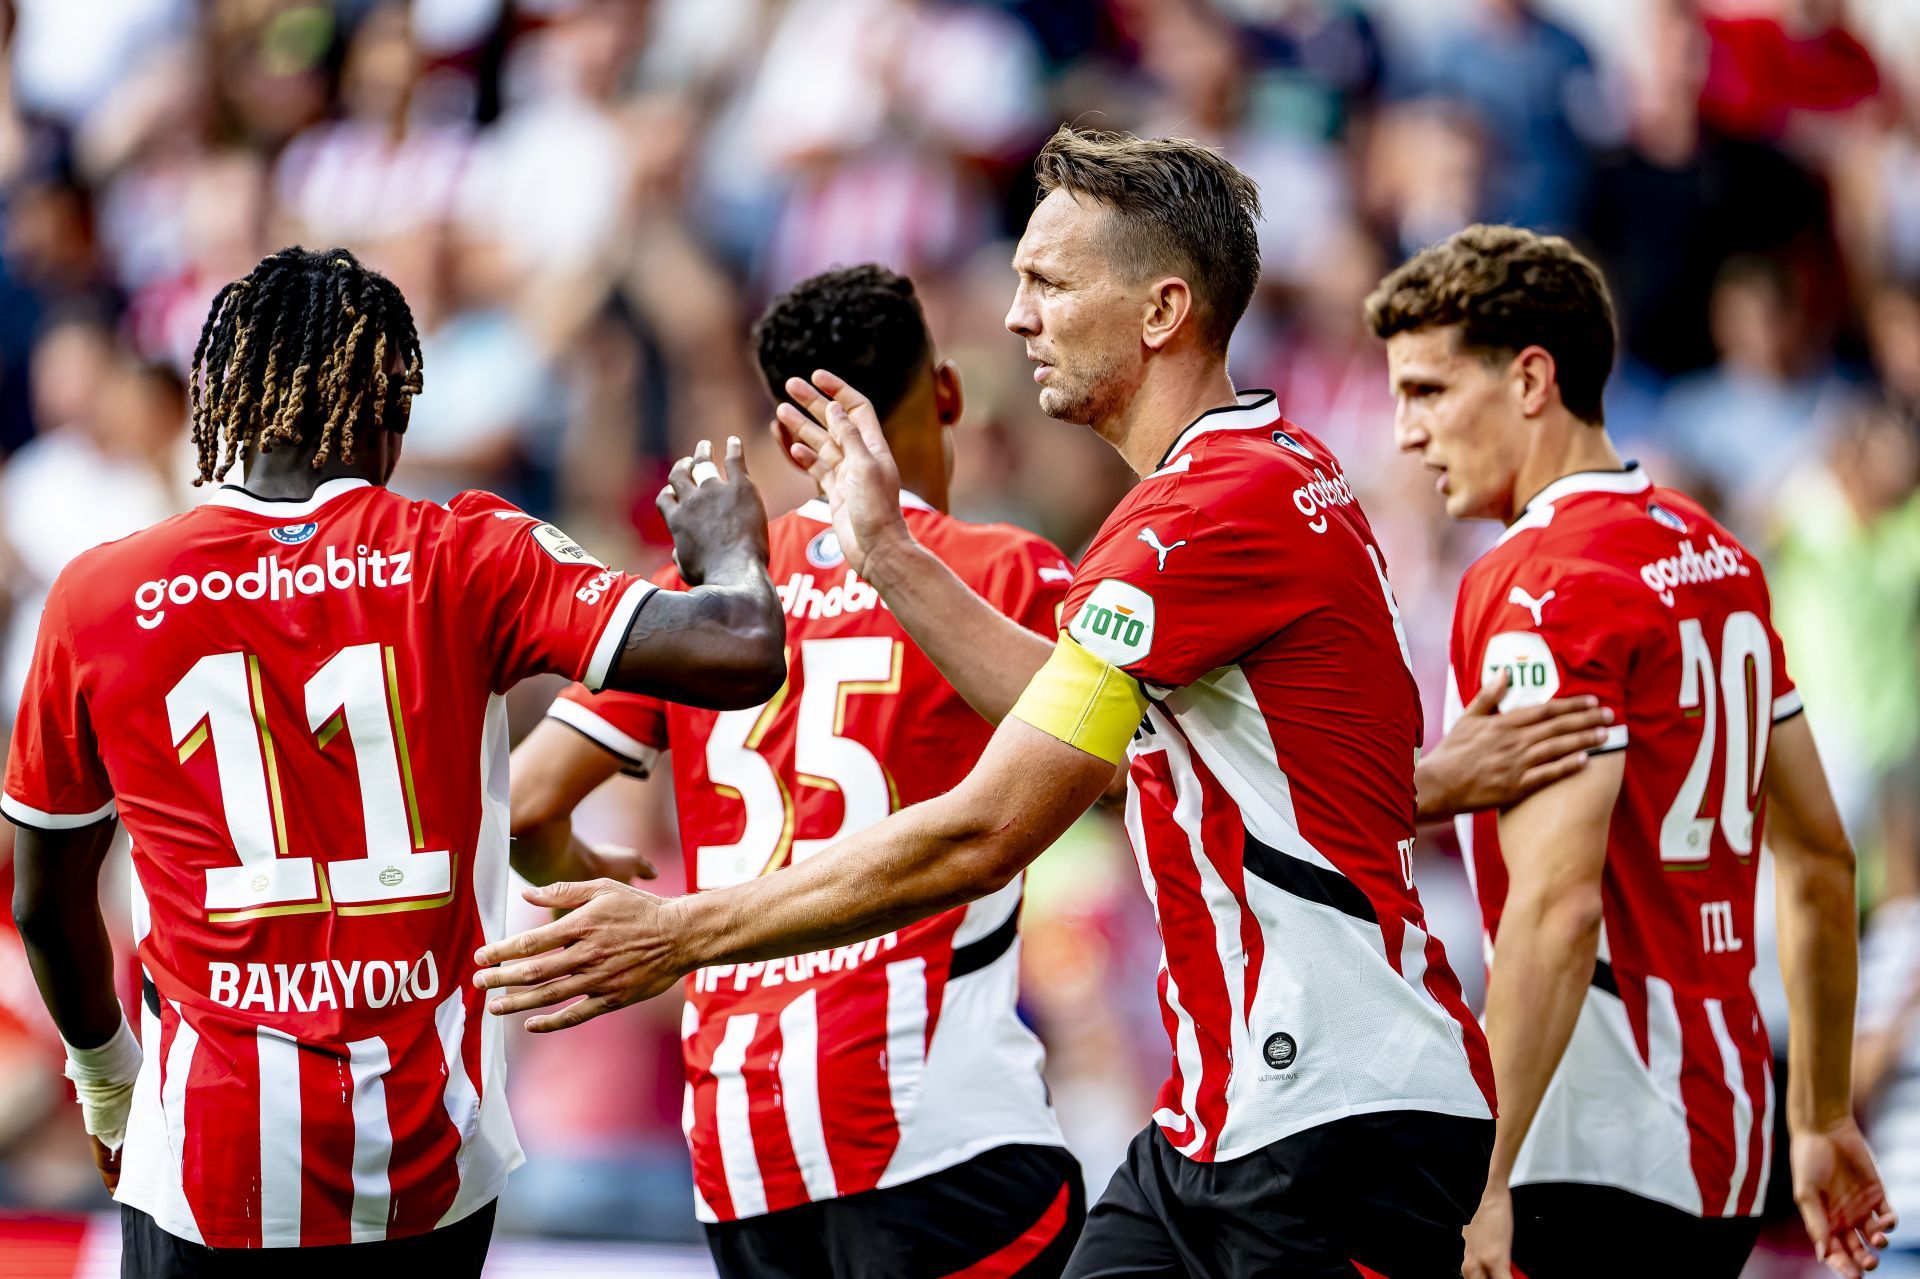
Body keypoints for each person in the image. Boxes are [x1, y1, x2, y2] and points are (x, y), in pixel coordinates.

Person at [477, 126, 1556, 1278]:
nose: (1015, 316)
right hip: (1214, 1114)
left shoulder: (1194, 520)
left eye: (1048, 281)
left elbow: (999, 820)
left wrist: (681, 929)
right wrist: (885, 550)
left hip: (1331, 1115)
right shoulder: (1247, 480)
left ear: (1160, 312)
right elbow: (1082, 731)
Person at [4, 246, 785, 1277]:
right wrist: (729, 544)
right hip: (422, 1160)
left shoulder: (100, 596)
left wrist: (109, 1087)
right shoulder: (466, 553)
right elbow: (741, 649)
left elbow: (44, 900)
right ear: (390, 412)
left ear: (226, 400)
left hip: (204, 1158)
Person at [508, 264, 1086, 1277]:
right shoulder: (1002, 571)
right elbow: (1112, 749)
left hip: (744, 1149)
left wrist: (581, 864)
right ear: (946, 392)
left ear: (787, 440)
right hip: (937, 1125)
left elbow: (525, 805)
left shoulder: (711, 603)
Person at [1366, 223, 1896, 1279]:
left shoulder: (1539, 582)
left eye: (1428, 391)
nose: (1406, 432)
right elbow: (1823, 865)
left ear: (1529, 380)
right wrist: (1820, 1112)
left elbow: (1557, 905)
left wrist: (1490, 1175)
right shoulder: (1719, 558)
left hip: (1586, 1144)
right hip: (1727, 1134)